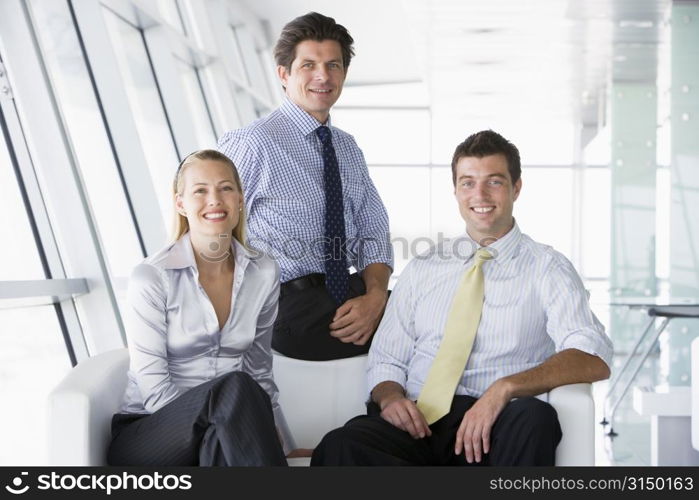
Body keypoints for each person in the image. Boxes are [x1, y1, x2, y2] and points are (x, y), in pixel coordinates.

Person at [311, 130, 613, 466]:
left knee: (534, 419)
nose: (479, 194)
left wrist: (505, 388)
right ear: (455, 190)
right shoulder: (424, 267)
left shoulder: (548, 268)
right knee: (341, 445)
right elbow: (387, 361)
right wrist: (391, 397)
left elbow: (592, 355)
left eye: (494, 181)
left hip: (498, 424)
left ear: (516, 188)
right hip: (419, 422)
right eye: (467, 182)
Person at [108, 150, 305, 466]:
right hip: (149, 431)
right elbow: (153, 389)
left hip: (223, 426)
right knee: (235, 390)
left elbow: (259, 369)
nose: (215, 199)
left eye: (226, 188)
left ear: (240, 199)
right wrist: (237, 428)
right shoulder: (152, 277)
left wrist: (277, 438)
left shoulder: (264, 272)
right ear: (181, 203)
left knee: (224, 433)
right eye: (200, 190)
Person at [218, 12, 393, 361]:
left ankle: (387, 410)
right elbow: (209, 232)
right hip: (285, 306)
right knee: (427, 331)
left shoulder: (347, 148)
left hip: (344, 293)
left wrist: (375, 298)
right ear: (284, 74)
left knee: (436, 309)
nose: (323, 76)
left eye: (333, 65)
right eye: (308, 65)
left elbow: (374, 233)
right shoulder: (253, 143)